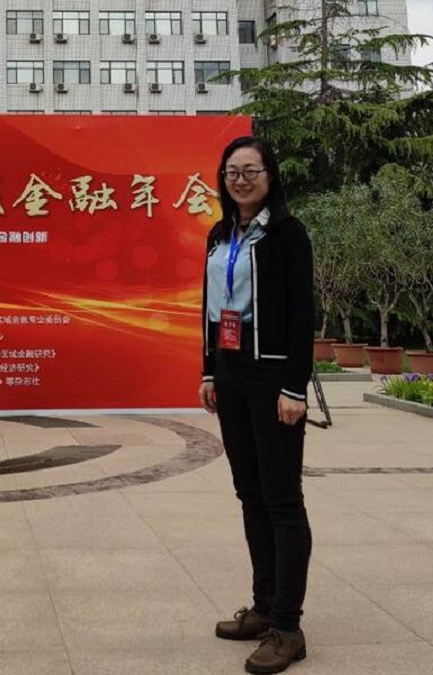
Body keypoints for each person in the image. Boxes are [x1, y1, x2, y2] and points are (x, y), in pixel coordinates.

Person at [199, 136, 314, 674]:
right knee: (250, 494)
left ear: (270, 175)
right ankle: (265, 606)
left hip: (272, 374)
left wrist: (294, 388)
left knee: (282, 499)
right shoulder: (220, 234)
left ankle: (288, 627)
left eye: (251, 170)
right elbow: (211, 305)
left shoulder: (287, 234)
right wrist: (209, 371)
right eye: (232, 172)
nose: (240, 180)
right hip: (231, 371)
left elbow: (301, 314)